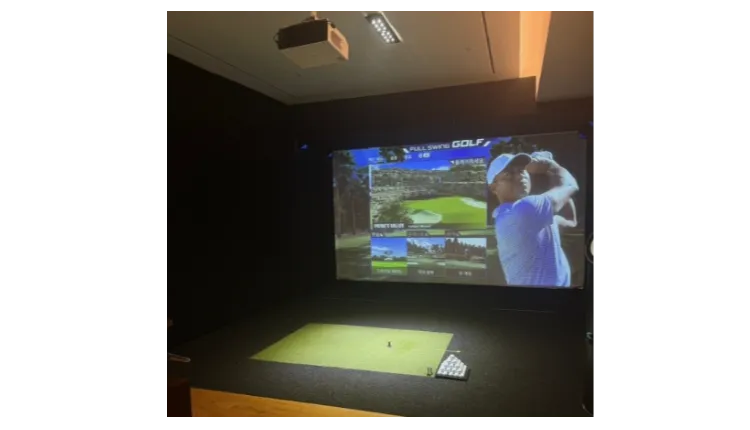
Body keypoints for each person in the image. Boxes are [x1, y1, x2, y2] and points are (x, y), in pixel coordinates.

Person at [487, 150, 579, 287]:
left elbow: (570, 221)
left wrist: (555, 182)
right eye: (508, 174)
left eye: (521, 170)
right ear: (494, 187)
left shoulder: (529, 215)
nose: (519, 175)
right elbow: (570, 185)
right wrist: (550, 165)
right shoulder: (523, 210)